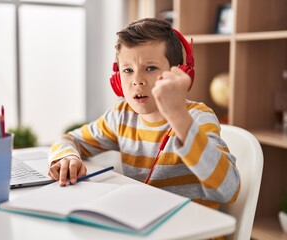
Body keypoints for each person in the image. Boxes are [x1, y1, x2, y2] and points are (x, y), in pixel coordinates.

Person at [48, 18, 240, 209]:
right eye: (128, 70)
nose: (137, 80)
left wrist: (178, 117)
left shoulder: (197, 118)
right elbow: (68, 139)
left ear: (179, 74)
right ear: (117, 79)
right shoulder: (121, 116)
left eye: (150, 68)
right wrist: (68, 158)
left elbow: (229, 190)